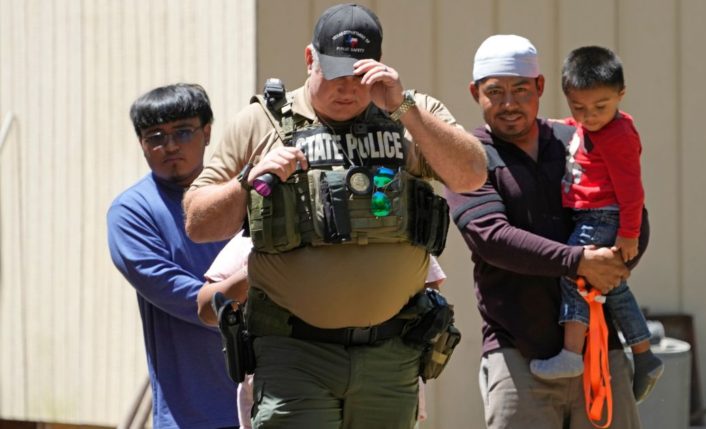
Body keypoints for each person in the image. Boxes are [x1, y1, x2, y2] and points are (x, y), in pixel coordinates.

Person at [182, 4, 487, 428]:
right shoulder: (262, 121)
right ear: (310, 59)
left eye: (359, 76)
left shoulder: (410, 115)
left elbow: (471, 175)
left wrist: (404, 108)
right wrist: (250, 179)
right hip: (295, 355)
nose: (347, 89)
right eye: (334, 73)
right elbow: (197, 223)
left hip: (392, 353)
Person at [444, 34, 650, 428]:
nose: (509, 103)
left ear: (540, 87)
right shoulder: (468, 155)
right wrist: (581, 262)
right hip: (519, 356)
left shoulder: (578, 138)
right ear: (475, 93)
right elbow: (492, 238)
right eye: (495, 92)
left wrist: (617, 263)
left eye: (521, 90)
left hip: (599, 354)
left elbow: (631, 212)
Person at [195, 233, 448, 429]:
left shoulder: (380, 218)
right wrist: (262, 267)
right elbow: (207, 306)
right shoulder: (269, 227)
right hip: (290, 381)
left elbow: (430, 284)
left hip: (382, 379)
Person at [529, 45, 664, 403]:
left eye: (600, 107)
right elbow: (577, 127)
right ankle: (645, 355)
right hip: (592, 215)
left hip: (604, 215)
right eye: (578, 107)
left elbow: (632, 191)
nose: (589, 116)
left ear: (621, 95)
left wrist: (629, 233)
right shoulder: (591, 126)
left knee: (573, 268)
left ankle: (572, 355)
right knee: (612, 286)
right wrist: (555, 123)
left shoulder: (617, 135)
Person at [107, 84, 237, 428]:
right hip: (194, 413)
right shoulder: (132, 212)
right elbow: (191, 300)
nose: (171, 145)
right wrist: (258, 276)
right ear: (142, 145)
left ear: (207, 132)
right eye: (155, 136)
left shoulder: (242, 196)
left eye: (183, 131)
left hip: (273, 400)